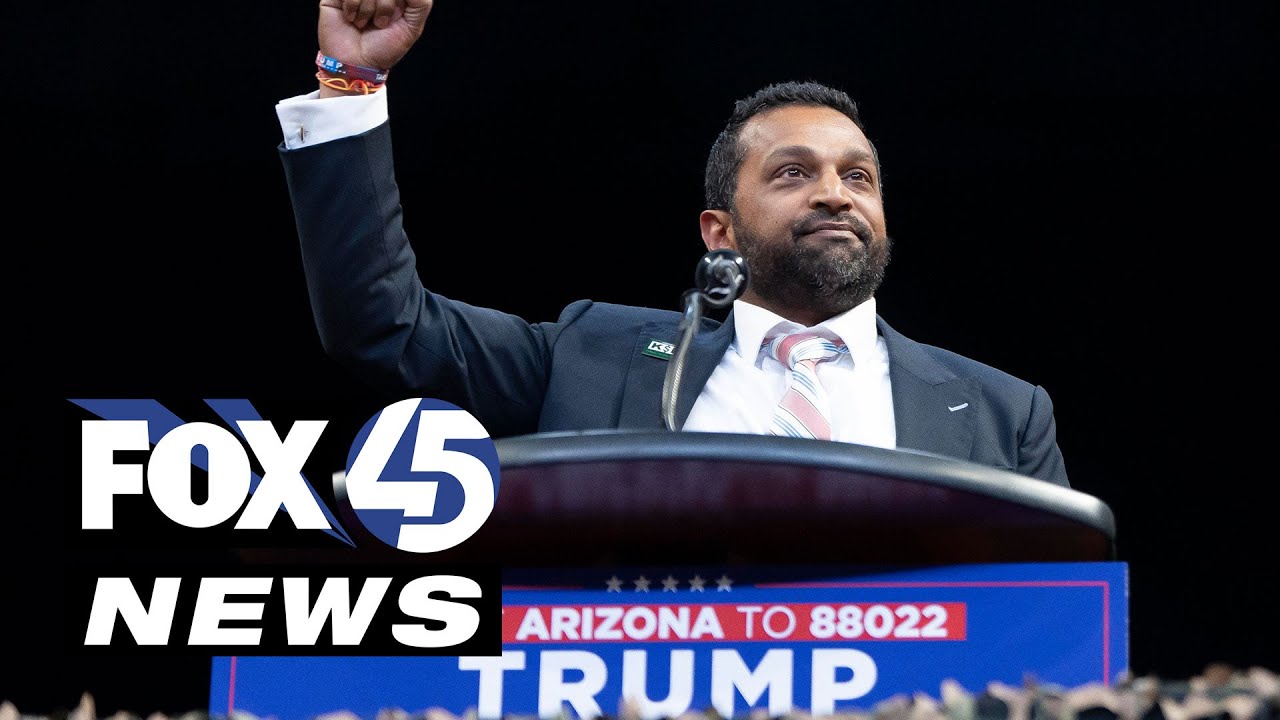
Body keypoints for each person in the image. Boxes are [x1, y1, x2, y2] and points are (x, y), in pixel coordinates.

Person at [275, 0, 1069, 488]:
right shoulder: (588, 357)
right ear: (718, 231)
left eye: (858, 178)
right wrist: (351, 83)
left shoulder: (1001, 413)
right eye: (793, 173)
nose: (835, 191)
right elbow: (382, 322)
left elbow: (1058, 617)